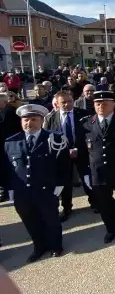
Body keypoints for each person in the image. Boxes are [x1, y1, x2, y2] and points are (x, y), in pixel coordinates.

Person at [3, 104, 71, 262]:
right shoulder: (11, 142)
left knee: (51, 220)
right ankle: (39, 247)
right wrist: (9, 189)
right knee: (31, 222)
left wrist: (60, 185)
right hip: (22, 193)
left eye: (34, 119)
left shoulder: (54, 139)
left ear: (41, 121)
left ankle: (55, 246)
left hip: (45, 190)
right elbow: (7, 169)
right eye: (26, 120)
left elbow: (63, 165)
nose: (29, 123)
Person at [76, 91, 115, 244]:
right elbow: (82, 151)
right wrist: (85, 173)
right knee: (104, 202)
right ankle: (111, 228)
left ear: (113, 105)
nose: (100, 106)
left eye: (104, 103)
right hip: (97, 171)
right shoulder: (85, 124)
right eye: (97, 104)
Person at [43, 91, 92, 221]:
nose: (67, 104)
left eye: (69, 101)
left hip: (82, 153)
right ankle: (67, 208)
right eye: (63, 102)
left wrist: (79, 149)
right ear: (57, 104)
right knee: (65, 183)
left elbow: (90, 134)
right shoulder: (50, 118)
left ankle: (95, 202)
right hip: (62, 157)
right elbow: (47, 137)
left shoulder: (83, 114)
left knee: (87, 178)